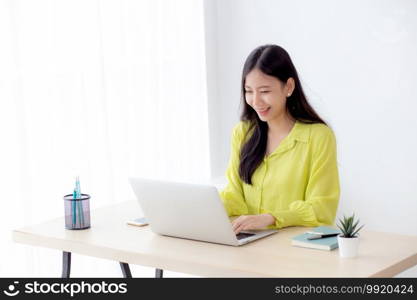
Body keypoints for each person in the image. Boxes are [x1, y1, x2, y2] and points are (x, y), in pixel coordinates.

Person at [219, 44, 340, 235]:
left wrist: (271, 218)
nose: (256, 101)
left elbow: (322, 207)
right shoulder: (242, 133)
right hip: (250, 245)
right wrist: (193, 210)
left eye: (265, 91)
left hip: (295, 249)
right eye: (249, 91)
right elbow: (234, 196)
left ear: (289, 87)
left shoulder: (318, 137)